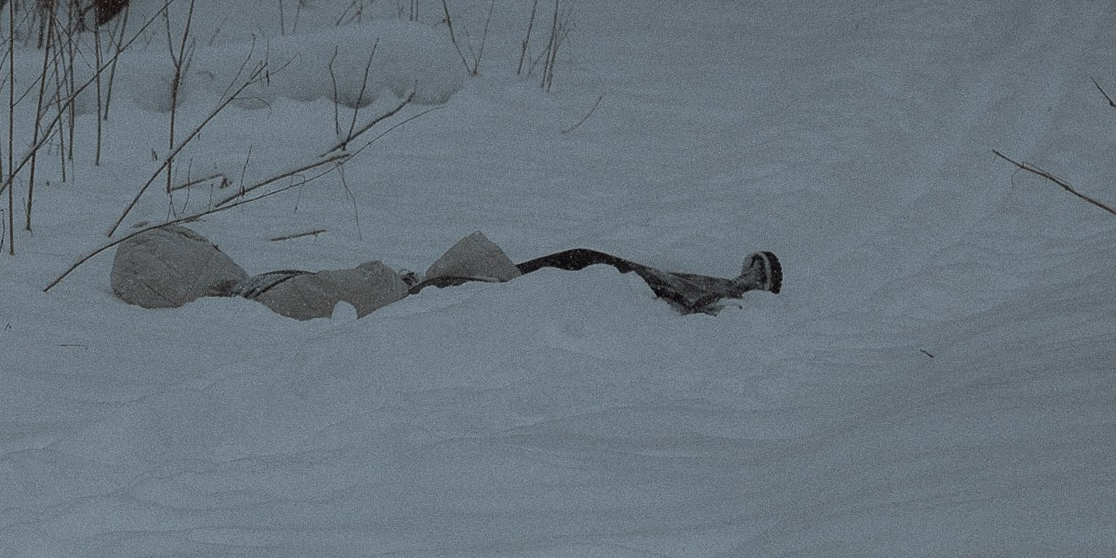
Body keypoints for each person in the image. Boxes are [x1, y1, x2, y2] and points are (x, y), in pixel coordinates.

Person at [110, 225, 781, 321]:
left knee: (582, 266)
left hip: (435, 294)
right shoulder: (258, 305)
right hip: (440, 308)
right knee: (584, 265)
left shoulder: (257, 291)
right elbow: (352, 312)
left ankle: (709, 293)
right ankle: (719, 294)